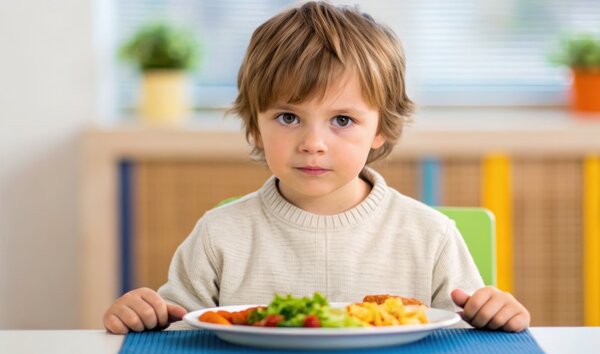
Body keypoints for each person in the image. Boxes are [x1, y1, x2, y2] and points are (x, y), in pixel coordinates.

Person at [103, 1, 530, 334]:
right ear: (255, 125)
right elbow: (176, 330)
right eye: (288, 118)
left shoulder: (430, 236)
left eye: (342, 120)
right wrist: (144, 315)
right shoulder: (219, 235)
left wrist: (496, 313)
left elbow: (470, 334)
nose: (313, 144)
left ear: (380, 129)